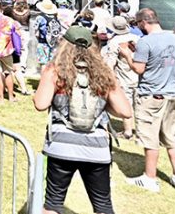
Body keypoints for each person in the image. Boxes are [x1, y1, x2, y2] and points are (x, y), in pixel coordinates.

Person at [34, 26, 132, 214]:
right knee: (103, 205)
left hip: (61, 146)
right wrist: (104, 105)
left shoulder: (54, 70)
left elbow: (40, 103)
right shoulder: (104, 73)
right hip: (96, 148)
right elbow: (125, 111)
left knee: (53, 203)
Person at [120, 8, 175, 192]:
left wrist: (127, 55)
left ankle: (150, 178)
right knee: (171, 136)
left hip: (152, 95)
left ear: (143, 22)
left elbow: (139, 69)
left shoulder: (145, 41)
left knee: (149, 137)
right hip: (172, 93)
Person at [102, 15, 139, 139]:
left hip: (123, 77)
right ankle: (140, 132)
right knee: (139, 105)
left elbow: (110, 63)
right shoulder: (137, 38)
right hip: (138, 76)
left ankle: (128, 132)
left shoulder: (114, 42)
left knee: (127, 103)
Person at [35, 0, 63, 67]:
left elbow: (36, 32)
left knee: (43, 62)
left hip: (43, 42)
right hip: (53, 42)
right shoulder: (55, 17)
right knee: (52, 62)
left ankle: (44, 73)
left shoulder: (40, 18)